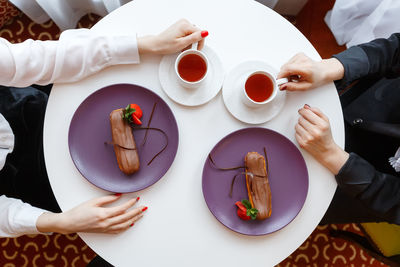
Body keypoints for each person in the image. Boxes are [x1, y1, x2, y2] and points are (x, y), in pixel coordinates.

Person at [0, 18, 209, 237]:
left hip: (31, 107)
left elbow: (38, 59)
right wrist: (60, 222)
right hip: (22, 178)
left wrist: (148, 44)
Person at [277, 33, 400, 225]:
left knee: (283, 205)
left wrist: (331, 155)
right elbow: (395, 51)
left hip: (360, 189)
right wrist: (329, 67)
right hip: (367, 106)